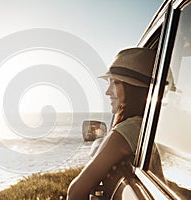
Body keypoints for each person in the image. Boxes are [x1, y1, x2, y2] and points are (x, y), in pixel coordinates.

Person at [67, 47, 157, 200]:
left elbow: (75, 192)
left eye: (115, 83)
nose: (108, 91)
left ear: (133, 88)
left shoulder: (130, 128)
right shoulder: (147, 125)